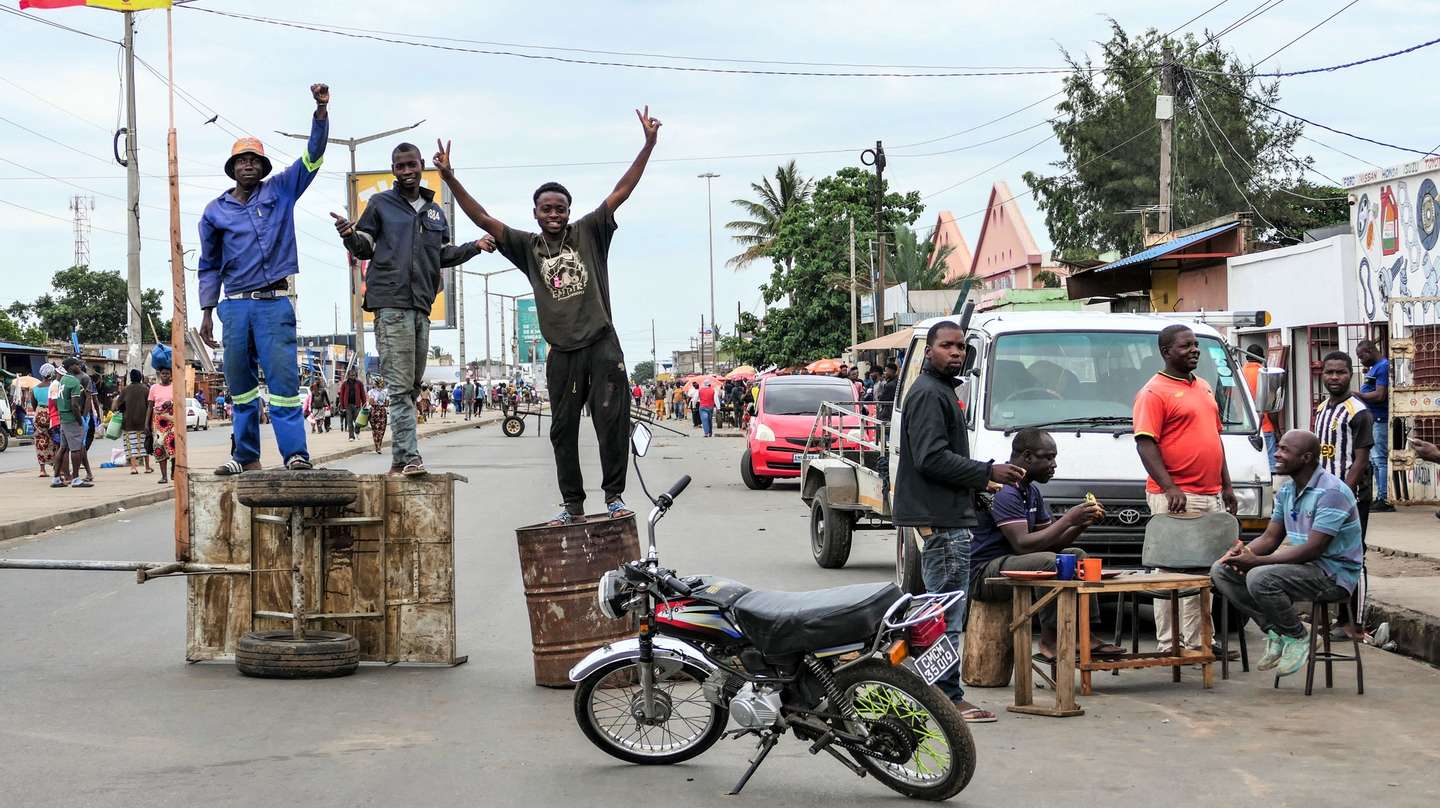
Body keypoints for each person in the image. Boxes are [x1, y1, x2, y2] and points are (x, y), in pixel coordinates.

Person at [437, 106, 660, 525]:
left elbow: (622, 189)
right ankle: (572, 503)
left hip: (601, 342)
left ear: (569, 211)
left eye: (560, 208)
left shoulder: (591, 231)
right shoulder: (527, 247)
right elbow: (482, 217)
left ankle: (613, 496)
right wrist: (450, 179)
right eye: (546, 209)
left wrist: (647, 145)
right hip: (562, 352)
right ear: (535, 214)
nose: (554, 215)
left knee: (612, 423)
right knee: (562, 431)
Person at [892, 320, 1026, 724]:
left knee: (939, 612)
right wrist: (988, 471)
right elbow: (931, 458)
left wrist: (982, 491)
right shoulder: (930, 394)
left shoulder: (940, 391)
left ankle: (935, 693)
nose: (956, 352)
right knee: (946, 618)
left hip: (949, 517)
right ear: (929, 351)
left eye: (961, 347)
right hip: (943, 525)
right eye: (947, 346)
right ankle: (947, 697)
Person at [198, 82, 330, 476]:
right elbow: (208, 264)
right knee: (240, 388)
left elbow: (313, 156)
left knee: (284, 384)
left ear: (264, 166)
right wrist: (207, 313)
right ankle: (245, 455)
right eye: (242, 161)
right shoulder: (214, 211)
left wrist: (320, 112)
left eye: (255, 160)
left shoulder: (282, 190)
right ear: (232, 168)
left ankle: (295, 454)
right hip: (235, 307)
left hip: (274, 304)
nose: (249, 166)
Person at [1210, 430, 1365, 677]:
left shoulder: (1332, 492)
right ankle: (1277, 631)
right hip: (1304, 569)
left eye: (1284, 450)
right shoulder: (1287, 491)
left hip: (1333, 575)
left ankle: (1298, 636)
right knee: (1222, 570)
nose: (1276, 454)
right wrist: (1243, 553)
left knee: (1260, 577)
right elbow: (1270, 538)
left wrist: (1257, 562)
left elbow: (1314, 549)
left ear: (1306, 458)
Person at [969, 429, 1123, 661]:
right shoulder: (1004, 491)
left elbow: (1051, 542)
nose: (1054, 465)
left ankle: (1084, 634)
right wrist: (1068, 519)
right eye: (1048, 457)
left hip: (1016, 564)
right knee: (1050, 562)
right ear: (1028, 456)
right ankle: (1051, 639)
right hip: (985, 572)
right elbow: (1022, 545)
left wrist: (1081, 524)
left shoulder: (1031, 491)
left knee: (1077, 555)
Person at [1132, 324, 1238, 652]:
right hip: (1178, 496)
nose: (1194, 350)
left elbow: (1213, 439)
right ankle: (1169, 644)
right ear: (1166, 352)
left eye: (1195, 345)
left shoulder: (1204, 386)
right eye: (1185, 346)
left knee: (1204, 571)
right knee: (1170, 569)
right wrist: (1169, 487)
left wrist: (1227, 485)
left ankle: (1199, 641)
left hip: (1209, 494)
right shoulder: (1154, 392)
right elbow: (1145, 443)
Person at [1312, 350, 1374, 635]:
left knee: (1353, 554)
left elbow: (1360, 459)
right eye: (1329, 372)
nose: (1335, 377)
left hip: (1351, 497)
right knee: (1326, 554)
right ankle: (1333, 618)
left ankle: (1354, 624)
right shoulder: (1322, 408)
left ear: (1351, 374)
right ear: (1322, 374)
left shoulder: (1359, 412)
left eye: (1341, 372)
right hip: (1325, 496)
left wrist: (1344, 493)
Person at [1354, 339, 1392, 511]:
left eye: (1361, 357)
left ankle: (1383, 498)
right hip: (1372, 418)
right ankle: (1379, 497)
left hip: (1379, 418)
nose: (1361, 360)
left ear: (1369, 351)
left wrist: (1356, 394)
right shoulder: (1375, 368)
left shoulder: (1383, 366)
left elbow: (1379, 395)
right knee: (1375, 461)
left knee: (1379, 459)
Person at [55, 357, 93, 488]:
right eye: (77, 364)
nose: (79, 366)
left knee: (63, 448)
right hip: (72, 419)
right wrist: (80, 420)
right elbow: (74, 405)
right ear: (71, 367)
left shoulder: (62, 380)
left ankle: (56, 479)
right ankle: (76, 478)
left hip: (63, 418)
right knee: (76, 449)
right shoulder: (74, 382)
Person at [1241, 345, 1277, 471]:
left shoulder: (1239, 372)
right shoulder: (1265, 373)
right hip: (1265, 425)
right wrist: (1277, 429)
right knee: (1271, 467)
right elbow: (1272, 404)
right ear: (1262, 358)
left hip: (1245, 428)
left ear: (1246, 357)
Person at [114, 369, 152, 475]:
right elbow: (150, 405)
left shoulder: (125, 390)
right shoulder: (146, 389)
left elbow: (118, 405)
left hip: (129, 423)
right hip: (143, 423)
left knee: (132, 445)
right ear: (140, 377)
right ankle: (147, 467)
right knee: (145, 445)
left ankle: (134, 468)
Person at [147, 365, 177, 485]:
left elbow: (180, 401)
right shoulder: (154, 388)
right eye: (163, 374)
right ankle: (164, 476)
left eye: (167, 374)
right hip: (158, 422)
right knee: (159, 447)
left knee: (173, 447)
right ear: (160, 375)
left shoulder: (175, 387)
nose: (165, 376)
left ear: (171, 375)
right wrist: (146, 424)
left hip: (172, 420)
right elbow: (150, 406)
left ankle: (174, 471)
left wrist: (172, 402)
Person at [31, 364, 58, 479]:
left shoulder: (35, 389)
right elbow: (57, 401)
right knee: (56, 440)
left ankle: (42, 469)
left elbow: (33, 405)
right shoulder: (54, 386)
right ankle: (58, 467)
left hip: (39, 414)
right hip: (52, 413)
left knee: (40, 440)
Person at [337, 367, 365, 441]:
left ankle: (357, 431)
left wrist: (364, 404)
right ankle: (351, 436)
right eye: (351, 375)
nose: (353, 376)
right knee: (349, 421)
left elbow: (363, 394)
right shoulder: (344, 384)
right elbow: (342, 396)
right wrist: (342, 406)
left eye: (354, 375)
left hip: (357, 405)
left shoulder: (359, 383)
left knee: (357, 421)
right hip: (348, 405)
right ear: (348, 376)